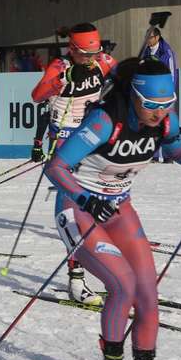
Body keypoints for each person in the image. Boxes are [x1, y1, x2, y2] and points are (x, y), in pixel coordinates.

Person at [44, 58, 181, 360]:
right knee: (123, 284)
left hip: (119, 209)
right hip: (78, 209)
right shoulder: (104, 121)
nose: (159, 112)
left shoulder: (165, 121)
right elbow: (56, 167)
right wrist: (86, 199)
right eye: (151, 104)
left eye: (166, 104)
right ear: (134, 95)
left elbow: (176, 148)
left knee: (148, 292)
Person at [30, 23, 117, 306]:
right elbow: (37, 95)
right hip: (66, 141)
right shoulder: (60, 65)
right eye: (85, 54)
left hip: (93, 137)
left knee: (106, 200)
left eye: (95, 53)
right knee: (72, 208)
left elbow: (124, 79)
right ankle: (76, 278)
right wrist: (61, 80)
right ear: (72, 49)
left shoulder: (103, 61)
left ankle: (113, 270)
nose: (91, 59)